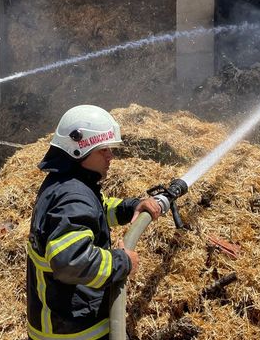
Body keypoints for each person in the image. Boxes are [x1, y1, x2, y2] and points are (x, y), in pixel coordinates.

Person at [26, 105, 162, 340]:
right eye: (103, 150)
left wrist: (130, 207)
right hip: (72, 331)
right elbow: (71, 261)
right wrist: (122, 261)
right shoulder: (73, 196)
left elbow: (94, 212)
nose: (111, 156)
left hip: (65, 323)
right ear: (80, 150)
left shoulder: (67, 183)